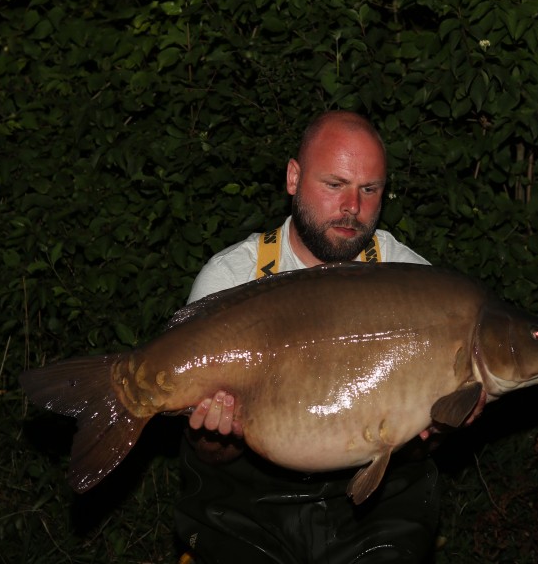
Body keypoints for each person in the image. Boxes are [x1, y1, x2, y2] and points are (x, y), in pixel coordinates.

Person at [174, 111, 439, 563]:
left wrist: (442, 423)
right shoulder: (231, 279)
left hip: (374, 508)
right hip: (250, 504)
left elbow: (430, 443)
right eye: (335, 185)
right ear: (293, 177)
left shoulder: (416, 283)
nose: (352, 206)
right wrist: (218, 435)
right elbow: (208, 454)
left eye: (369, 189)